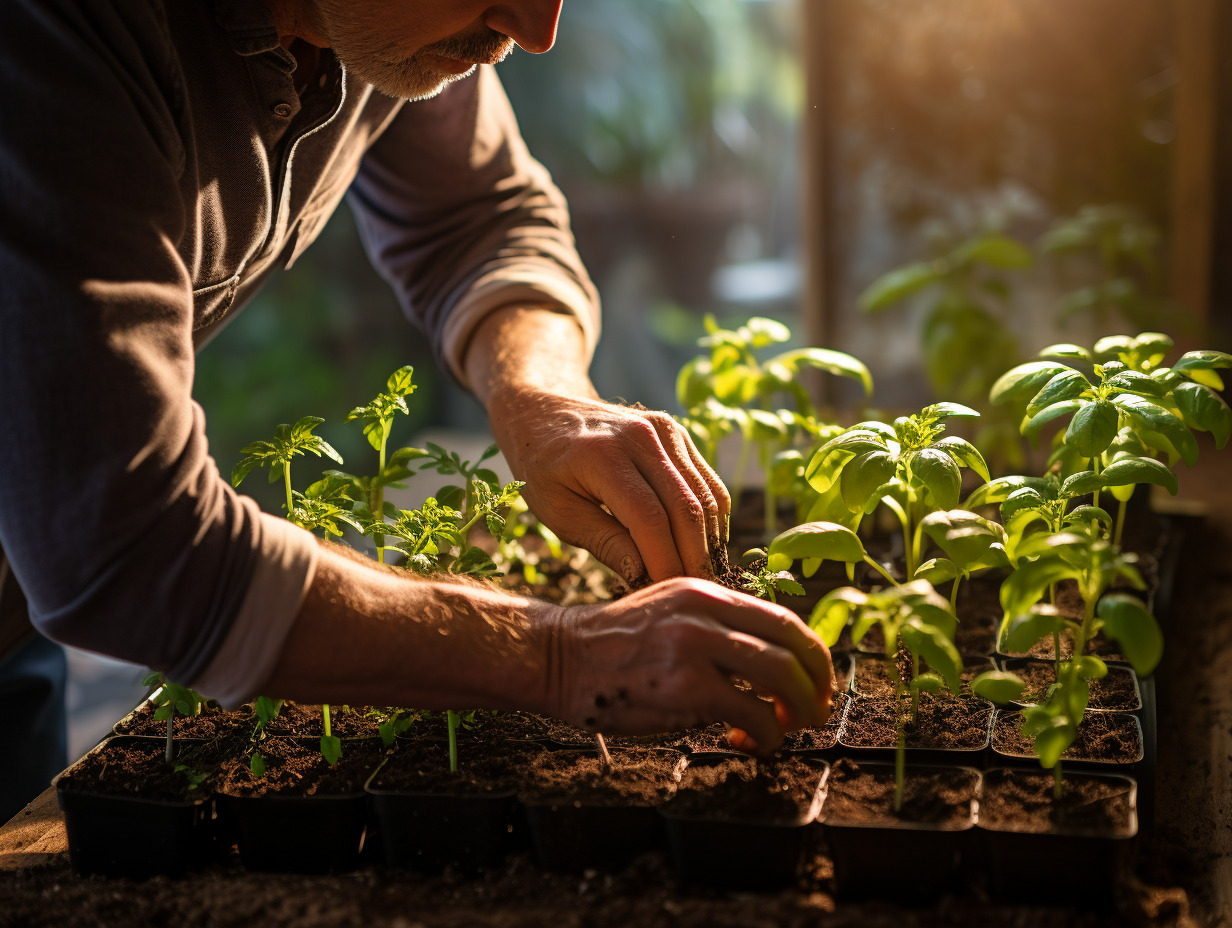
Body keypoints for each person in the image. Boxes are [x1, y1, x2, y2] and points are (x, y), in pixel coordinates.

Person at [0, 0, 834, 815]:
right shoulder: (56, 40)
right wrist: (562, 658)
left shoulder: (384, 26)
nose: (536, 29)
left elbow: (480, 216)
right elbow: (125, 545)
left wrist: (542, 395)